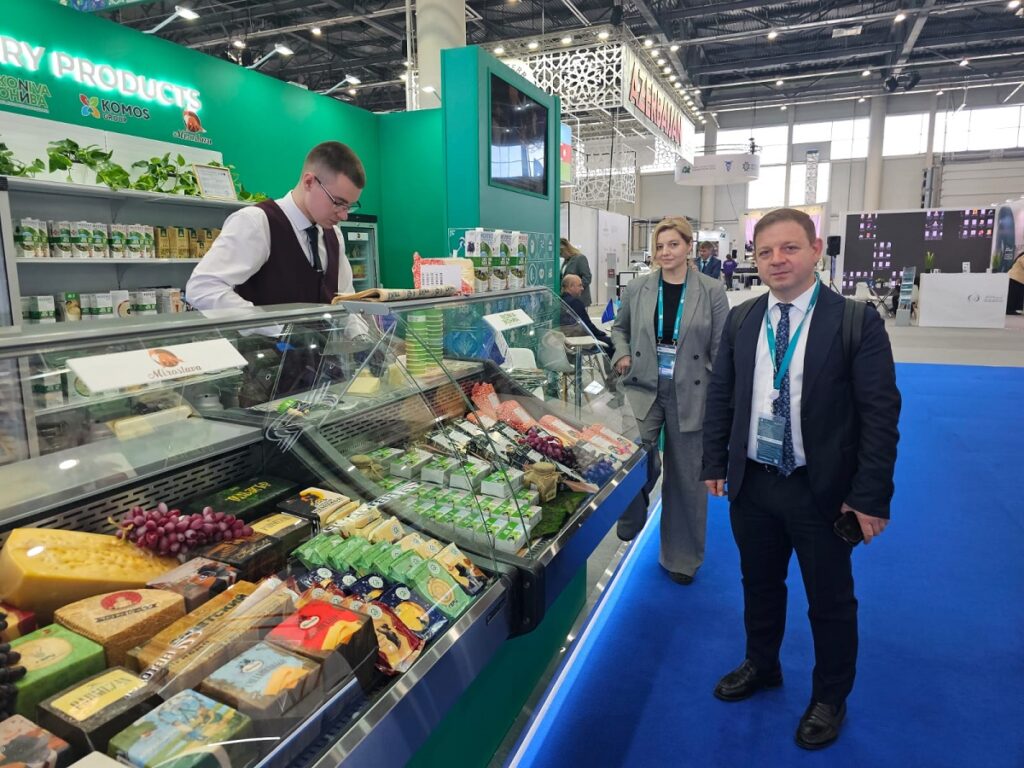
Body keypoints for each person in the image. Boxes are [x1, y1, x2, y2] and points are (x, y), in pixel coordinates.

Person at [701, 207, 901, 751]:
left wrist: (869, 497)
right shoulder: (744, 319)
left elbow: (880, 415)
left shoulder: (855, 321)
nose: (777, 260)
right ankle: (762, 663)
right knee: (759, 584)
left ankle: (830, 696)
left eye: (789, 248)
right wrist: (714, 461)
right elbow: (723, 395)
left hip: (822, 489)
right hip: (754, 482)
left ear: (815, 250)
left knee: (829, 600)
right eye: (765, 252)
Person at [611, 216, 729, 584]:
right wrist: (621, 353)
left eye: (673, 244)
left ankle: (682, 559)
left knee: (687, 478)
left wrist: (720, 395)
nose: (665, 252)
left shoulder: (711, 290)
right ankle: (633, 507)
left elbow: (722, 347)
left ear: (689, 247)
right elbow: (619, 329)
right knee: (629, 455)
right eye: (659, 246)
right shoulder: (639, 288)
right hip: (643, 385)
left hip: (692, 390)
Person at [186, 141, 365, 309]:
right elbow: (203, 288)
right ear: (309, 182)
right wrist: (270, 325)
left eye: (349, 206)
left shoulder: (335, 236)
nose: (344, 215)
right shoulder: (257, 222)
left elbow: (347, 299)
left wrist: (361, 330)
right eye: (338, 202)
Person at [561, 274, 614, 356]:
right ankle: (615, 365)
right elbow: (587, 326)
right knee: (614, 343)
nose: (582, 288)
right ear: (571, 286)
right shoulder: (575, 303)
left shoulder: (561, 301)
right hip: (580, 340)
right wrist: (602, 333)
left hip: (565, 340)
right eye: (580, 285)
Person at [560, 238, 593, 307]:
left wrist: (575, 288)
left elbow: (587, 277)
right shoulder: (566, 261)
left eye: (561, 253)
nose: (561, 256)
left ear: (565, 249)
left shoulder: (580, 258)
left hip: (579, 298)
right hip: (568, 299)